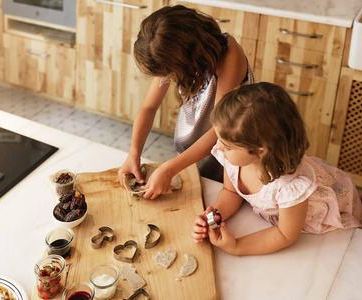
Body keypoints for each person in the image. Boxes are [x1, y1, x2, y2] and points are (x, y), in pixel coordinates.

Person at [191, 82, 362, 255]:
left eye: (227, 146)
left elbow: (285, 234)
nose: (218, 147)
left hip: (334, 207)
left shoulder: (289, 186)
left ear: (260, 151)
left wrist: (237, 246)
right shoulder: (233, 160)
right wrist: (214, 218)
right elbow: (231, 192)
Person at [118, 5, 255, 198]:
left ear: (187, 57)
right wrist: (133, 153)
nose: (170, 79)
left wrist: (169, 168)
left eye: (171, 74)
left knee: (226, 196)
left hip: (231, 152)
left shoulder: (229, 55)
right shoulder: (171, 55)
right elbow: (149, 107)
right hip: (191, 153)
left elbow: (221, 129)